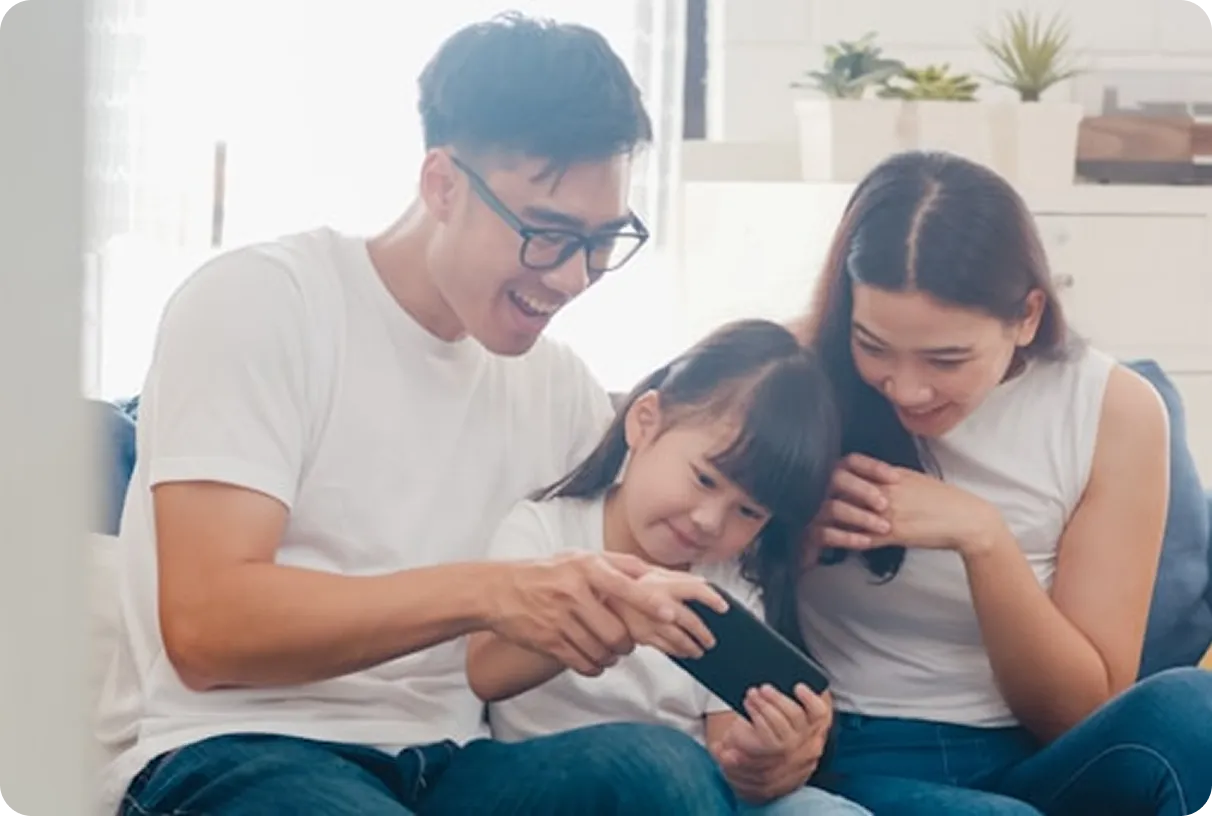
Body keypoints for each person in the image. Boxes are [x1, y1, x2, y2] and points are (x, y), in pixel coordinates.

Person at [99, 13, 742, 816]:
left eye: (604, 240)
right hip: (241, 747)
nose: (576, 278)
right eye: (548, 235)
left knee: (660, 773)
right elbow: (207, 631)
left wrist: (757, 737)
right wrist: (487, 591)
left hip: (455, 761)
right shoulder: (263, 303)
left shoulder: (560, 390)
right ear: (441, 184)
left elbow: (649, 551)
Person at [792, 150, 1212, 815]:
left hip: (1042, 753)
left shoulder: (1113, 409)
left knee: (1198, 709)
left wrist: (982, 537)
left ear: (1027, 316)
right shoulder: (794, 373)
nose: (906, 387)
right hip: (859, 751)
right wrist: (784, 530)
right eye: (872, 345)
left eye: (946, 358)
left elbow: (1081, 711)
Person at [466, 319, 872, 815]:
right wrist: (618, 612)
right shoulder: (545, 531)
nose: (708, 521)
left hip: (689, 794)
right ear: (645, 421)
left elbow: (727, 762)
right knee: (660, 761)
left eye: (748, 512)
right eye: (704, 479)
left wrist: (761, 756)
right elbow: (486, 674)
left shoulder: (729, 587)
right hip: (555, 783)